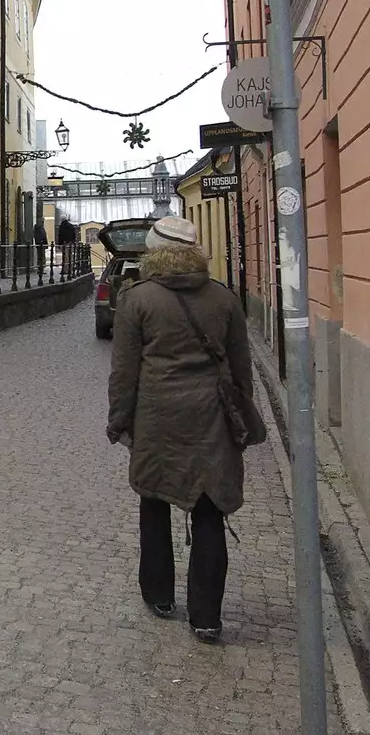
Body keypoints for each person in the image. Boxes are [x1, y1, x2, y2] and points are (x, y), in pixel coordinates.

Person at [106, 215, 253, 644]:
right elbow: (242, 370)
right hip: (211, 418)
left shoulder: (138, 300)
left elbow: (124, 372)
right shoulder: (223, 299)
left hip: (157, 417)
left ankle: (159, 595)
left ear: (155, 253)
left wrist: (119, 420)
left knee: (154, 503)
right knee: (209, 511)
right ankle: (206, 617)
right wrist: (241, 415)